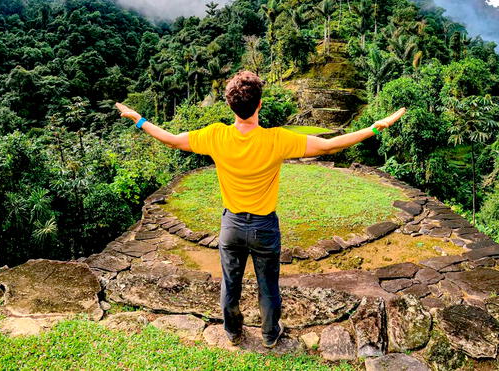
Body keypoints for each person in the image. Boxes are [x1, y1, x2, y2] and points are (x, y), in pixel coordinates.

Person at [115, 70, 405, 348]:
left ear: (230, 105)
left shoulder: (216, 135)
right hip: (265, 226)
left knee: (230, 284)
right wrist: (374, 127)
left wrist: (139, 120)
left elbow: (172, 139)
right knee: (268, 286)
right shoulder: (276, 139)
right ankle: (269, 334)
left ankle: (232, 332)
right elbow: (329, 146)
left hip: (231, 226)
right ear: (259, 104)